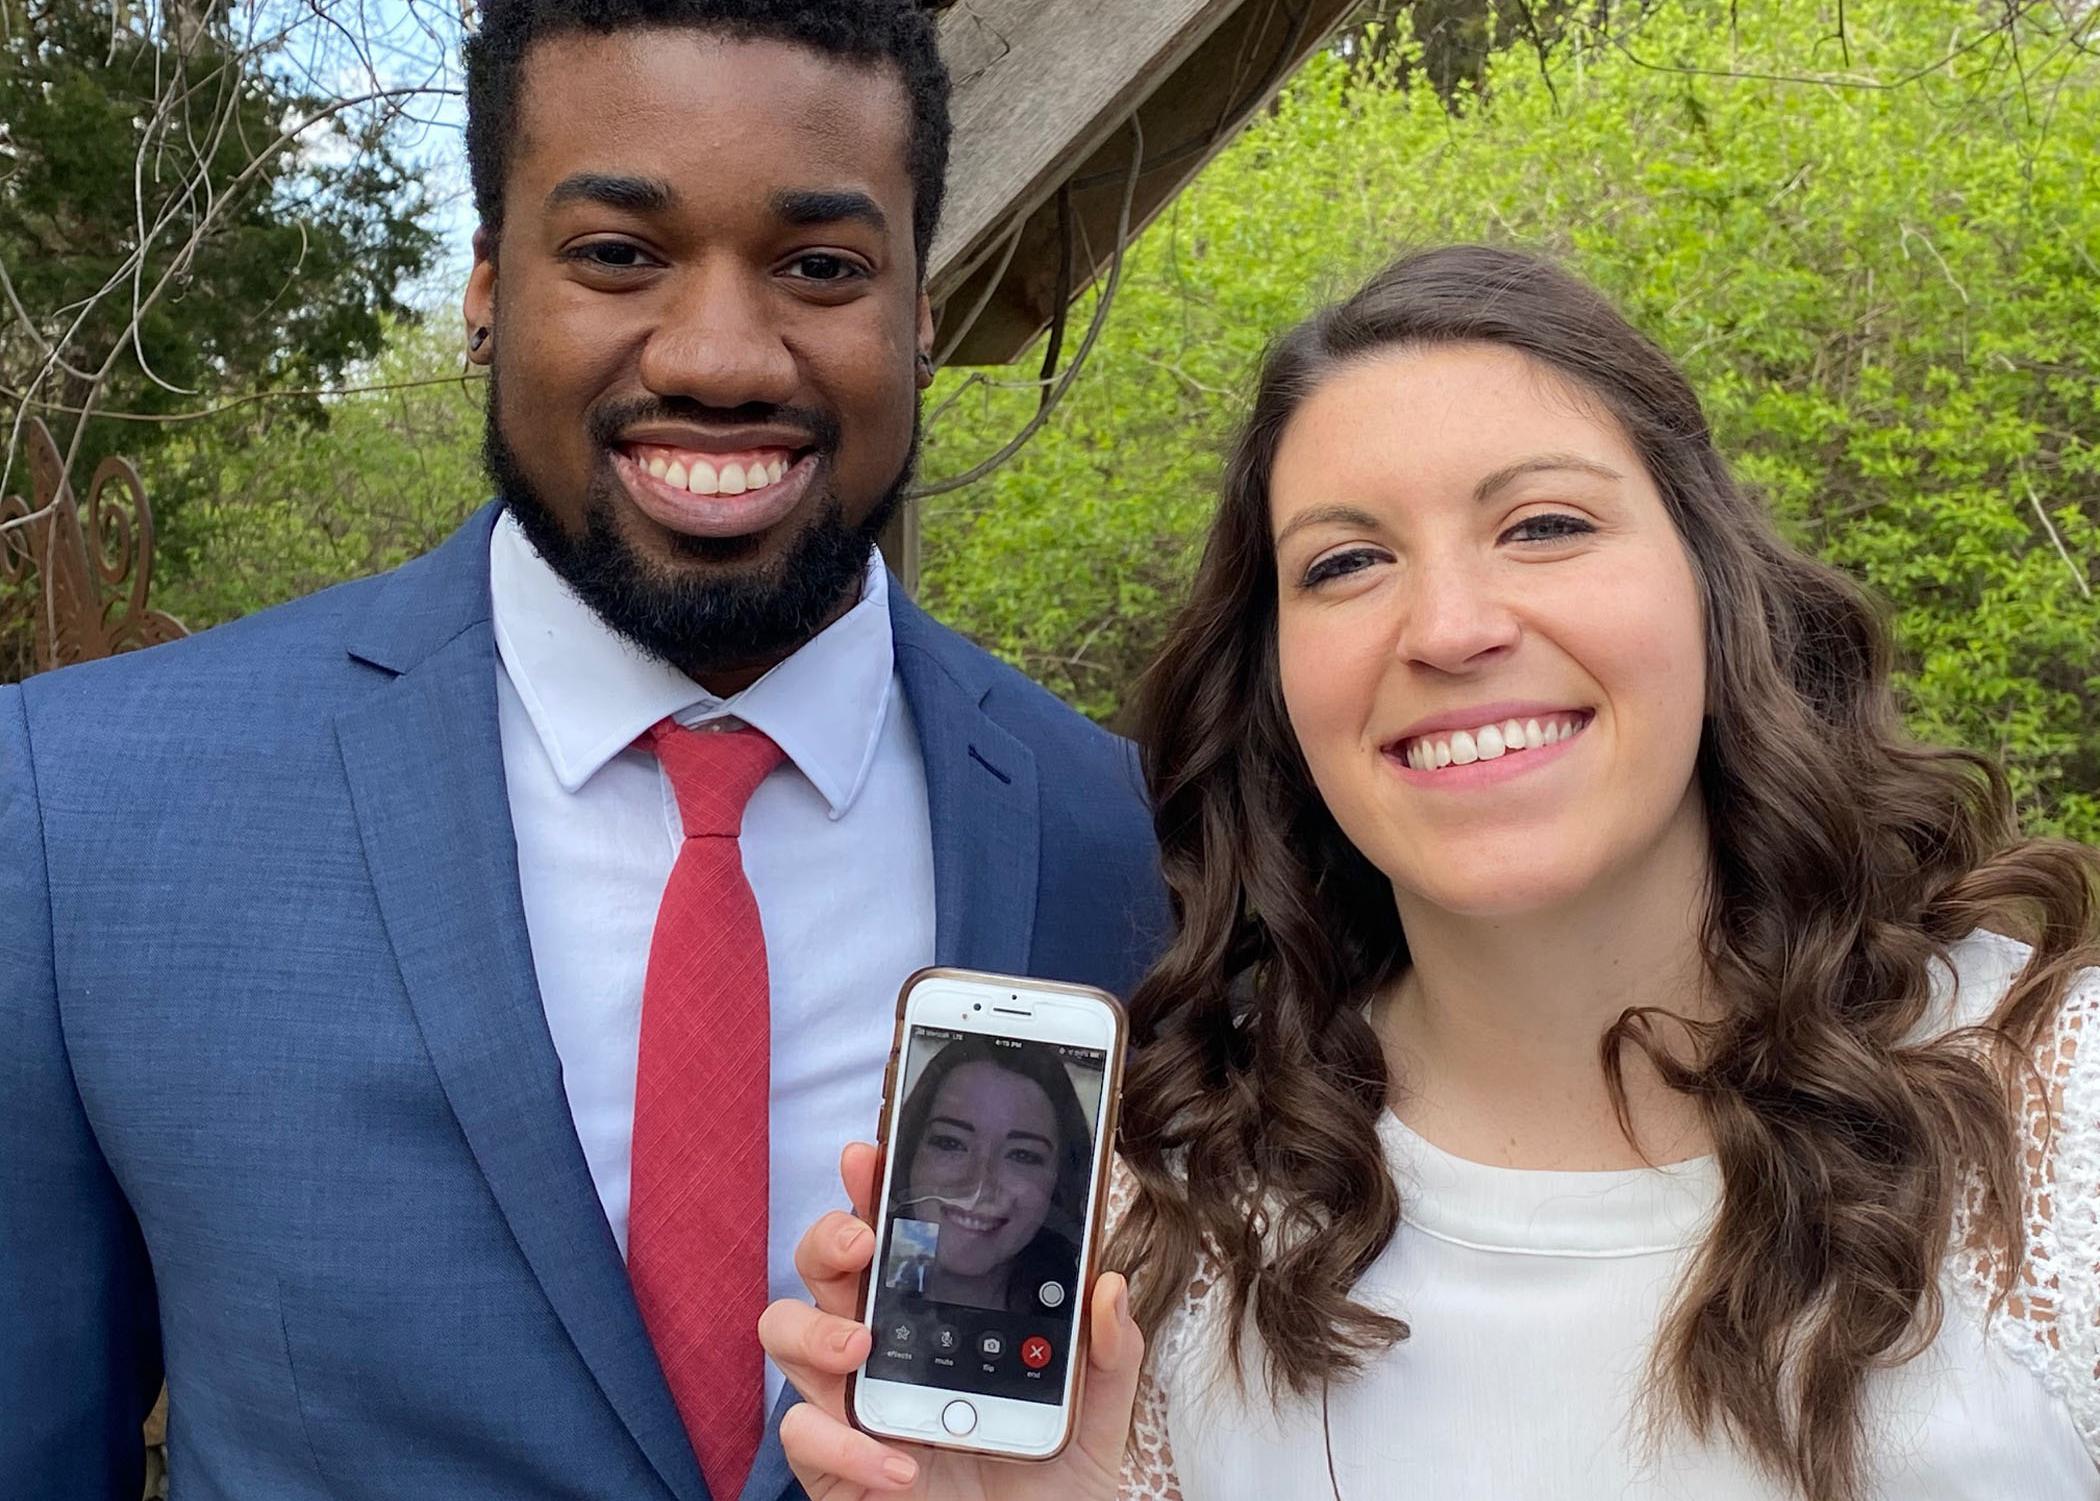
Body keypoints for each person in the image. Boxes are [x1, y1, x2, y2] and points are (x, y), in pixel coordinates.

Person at [0, 4, 1167, 1500]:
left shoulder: (1124, 834)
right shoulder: (85, 805)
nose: (725, 358)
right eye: (620, 253)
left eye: (821, 267)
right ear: (488, 286)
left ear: (918, 309)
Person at [762, 245, 2100, 1500]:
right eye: (1347, 564)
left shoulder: (2058, 1114)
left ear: (1714, 588)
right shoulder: (1150, 1245)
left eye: (1546, 525)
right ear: (1278, 683)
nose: (1452, 628)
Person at [884, 1036, 1091, 1314]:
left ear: (1060, 1181)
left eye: (1022, 1155)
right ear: (910, 1153)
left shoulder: (1077, 1324)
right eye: (951, 1143)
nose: (979, 1185)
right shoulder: (868, 1296)